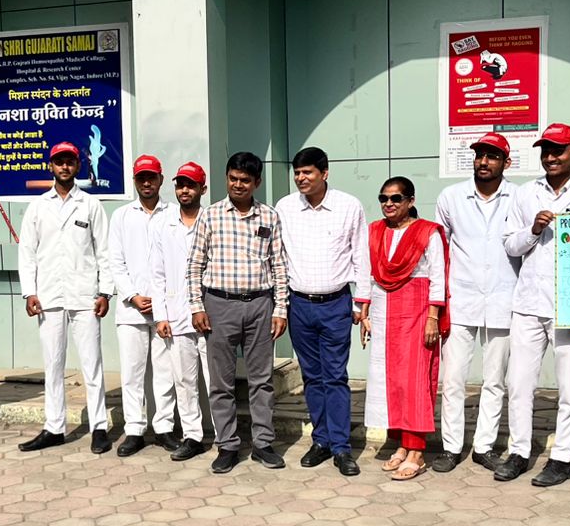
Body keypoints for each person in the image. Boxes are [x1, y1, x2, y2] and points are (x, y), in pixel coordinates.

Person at [499, 125, 570, 484]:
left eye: (559, 150)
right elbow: (510, 245)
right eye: (546, 151)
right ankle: (519, 451)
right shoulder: (526, 193)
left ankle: (562, 458)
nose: (551, 157)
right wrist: (533, 230)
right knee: (519, 383)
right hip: (528, 302)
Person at [187, 150, 289, 475]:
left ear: (257, 181)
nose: (238, 185)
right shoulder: (211, 215)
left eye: (245, 180)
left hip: (260, 305)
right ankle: (228, 445)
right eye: (233, 179)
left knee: (262, 380)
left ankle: (263, 443)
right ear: (226, 179)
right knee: (221, 382)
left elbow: (279, 266)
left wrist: (280, 309)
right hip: (219, 305)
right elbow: (195, 264)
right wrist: (197, 306)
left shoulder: (269, 217)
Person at [16, 142, 113, 453]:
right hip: (49, 296)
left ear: (78, 165)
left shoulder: (90, 204)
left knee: (92, 365)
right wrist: (29, 292)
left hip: (85, 297)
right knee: (53, 365)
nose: (65, 167)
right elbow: (27, 253)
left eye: (70, 161)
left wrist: (105, 291)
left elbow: (105, 252)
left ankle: (99, 427)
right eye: (59, 162)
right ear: (51, 166)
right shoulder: (37, 207)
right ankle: (54, 427)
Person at [277, 147, 366, 477]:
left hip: (336, 305)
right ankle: (322, 440)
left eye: (308, 172)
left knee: (335, 376)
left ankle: (341, 447)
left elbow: (361, 256)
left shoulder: (348, 206)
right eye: (297, 173)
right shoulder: (285, 207)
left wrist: (360, 303)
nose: (301, 178)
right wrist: (281, 305)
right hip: (299, 305)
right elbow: (278, 257)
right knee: (312, 377)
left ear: (324, 173)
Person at [432, 134, 517, 473]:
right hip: (461, 298)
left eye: (492, 156)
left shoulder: (519, 197)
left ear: (506, 162)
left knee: (495, 380)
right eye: (479, 155)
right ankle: (451, 447)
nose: (483, 161)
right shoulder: (451, 197)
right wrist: (437, 301)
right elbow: (439, 250)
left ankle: (484, 447)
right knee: (453, 379)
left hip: (504, 298)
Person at [357, 177, 447, 481]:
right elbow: (365, 272)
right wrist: (363, 311)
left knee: (414, 380)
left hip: (416, 310)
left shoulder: (427, 232)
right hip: (383, 310)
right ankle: (401, 444)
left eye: (396, 198)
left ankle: (417, 451)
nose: (389, 204)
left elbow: (438, 276)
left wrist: (433, 317)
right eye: (383, 198)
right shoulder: (374, 231)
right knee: (389, 380)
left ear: (410, 201)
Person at [109, 155, 178, 457]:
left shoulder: (173, 214)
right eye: (141, 178)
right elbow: (115, 262)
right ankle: (135, 430)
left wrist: (163, 301)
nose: (147, 182)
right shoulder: (122, 216)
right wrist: (133, 295)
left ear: (161, 179)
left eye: (151, 177)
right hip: (131, 310)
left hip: (166, 311)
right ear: (134, 181)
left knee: (165, 373)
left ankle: (164, 428)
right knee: (132, 374)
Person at [150, 162, 211, 462]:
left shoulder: (212, 220)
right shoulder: (164, 225)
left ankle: (226, 436)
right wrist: (160, 315)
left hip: (210, 313)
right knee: (184, 381)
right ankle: (193, 436)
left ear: (203, 189)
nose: (184, 190)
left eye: (191, 185)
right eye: (180, 185)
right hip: (176, 313)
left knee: (215, 380)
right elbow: (157, 273)